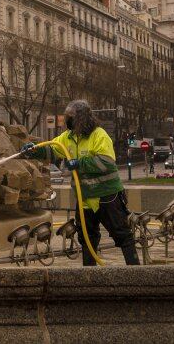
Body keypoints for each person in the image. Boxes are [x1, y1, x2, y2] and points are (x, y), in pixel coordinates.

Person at [22, 99, 140, 266]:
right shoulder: (68, 137)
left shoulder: (99, 135)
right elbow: (52, 149)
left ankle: (135, 273)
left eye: (69, 117)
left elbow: (106, 162)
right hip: (85, 199)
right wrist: (33, 150)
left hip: (107, 196)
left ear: (81, 118)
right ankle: (89, 277)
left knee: (122, 234)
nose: (65, 120)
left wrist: (80, 163)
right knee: (86, 237)